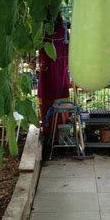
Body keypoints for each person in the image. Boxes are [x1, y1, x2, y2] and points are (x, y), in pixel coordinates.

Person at [37, 13, 70, 142]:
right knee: (61, 102)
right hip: (61, 72)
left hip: (46, 71)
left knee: (46, 101)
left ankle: (48, 135)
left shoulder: (41, 31)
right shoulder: (64, 31)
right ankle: (62, 137)